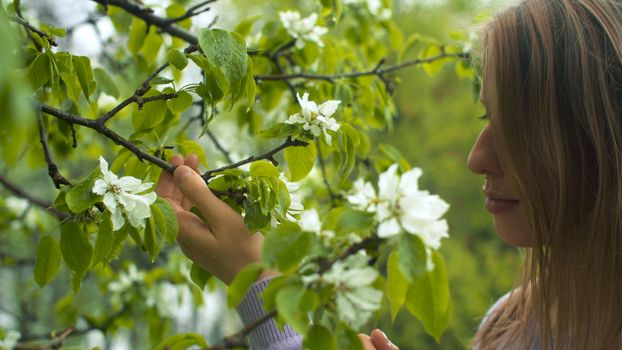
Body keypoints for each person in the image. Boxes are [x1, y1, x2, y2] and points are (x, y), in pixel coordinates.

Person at [157, 0, 622, 348]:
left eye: (516, 131)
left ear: (601, 143)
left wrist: (258, 283)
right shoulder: (510, 326)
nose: (476, 159)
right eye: (487, 121)